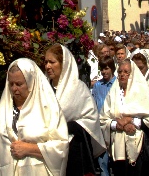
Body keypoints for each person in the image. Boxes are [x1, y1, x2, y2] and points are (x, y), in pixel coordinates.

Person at [0, 58, 69, 176]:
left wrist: (29, 148)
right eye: (11, 84)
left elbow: (61, 146)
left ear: (31, 82)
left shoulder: (48, 108)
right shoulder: (5, 109)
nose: (14, 88)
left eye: (19, 84)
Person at [44, 44, 106, 176]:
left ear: (63, 63)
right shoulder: (43, 90)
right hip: (47, 150)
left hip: (74, 151)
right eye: (46, 62)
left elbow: (91, 119)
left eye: (52, 62)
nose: (48, 66)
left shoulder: (78, 88)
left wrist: (67, 126)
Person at [99, 60, 149, 176]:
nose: (122, 74)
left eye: (126, 72)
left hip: (139, 148)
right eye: (120, 72)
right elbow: (103, 119)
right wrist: (117, 124)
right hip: (118, 148)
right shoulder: (113, 92)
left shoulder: (142, 91)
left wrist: (131, 121)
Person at [91, 57, 115, 176]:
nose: (104, 72)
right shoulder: (98, 86)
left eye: (106, 68)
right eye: (102, 69)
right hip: (100, 128)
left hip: (114, 126)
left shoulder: (117, 83)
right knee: (102, 163)